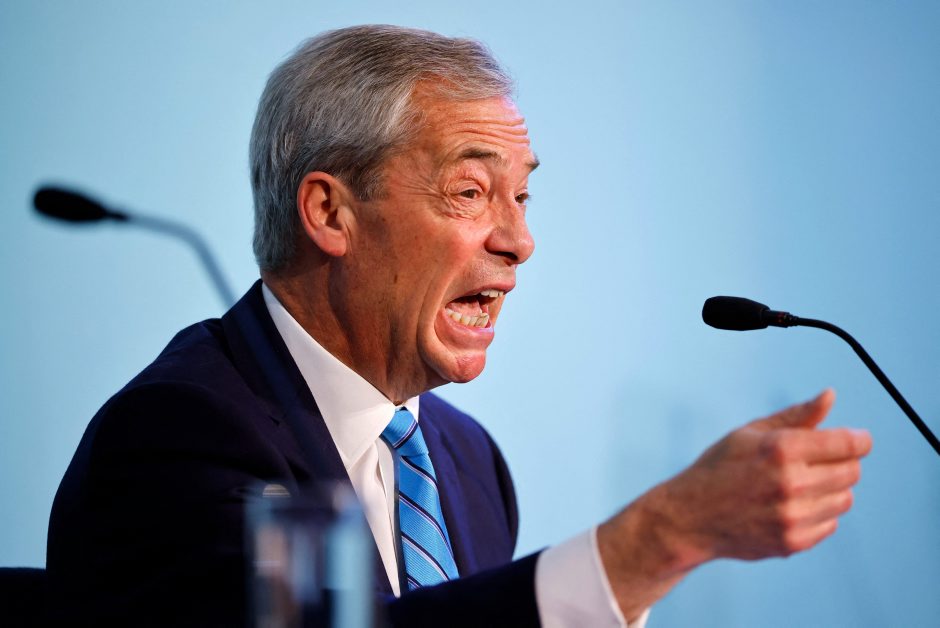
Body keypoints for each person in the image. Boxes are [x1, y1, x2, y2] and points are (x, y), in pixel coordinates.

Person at [45, 24, 872, 627]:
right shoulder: (179, 432)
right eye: (470, 192)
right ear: (330, 213)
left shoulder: (468, 463)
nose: (519, 241)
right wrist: (656, 538)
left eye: (523, 196)